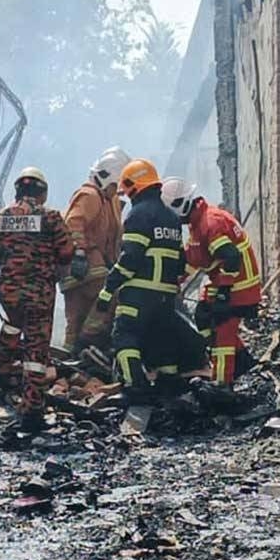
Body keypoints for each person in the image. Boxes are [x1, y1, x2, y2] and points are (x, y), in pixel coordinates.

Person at [0, 167, 75, 430]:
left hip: (8, 290)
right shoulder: (50, 217)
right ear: (42, 193)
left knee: (13, 324)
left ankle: (2, 368)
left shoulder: (1, 217)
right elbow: (66, 252)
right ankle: (31, 409)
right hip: (38, 292)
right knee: (36, 351)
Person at [96, 159, 186, 403]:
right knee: (162, 340)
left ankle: (137, 387)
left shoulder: (139, 215)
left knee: (125, 337)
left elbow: (130, 259)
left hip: (139, 293)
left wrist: (107, 291)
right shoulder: (172, 217)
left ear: (132, 186)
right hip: (166, 295)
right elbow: (181, 262)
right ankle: (169, 388)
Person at [161, 177, 261, 387]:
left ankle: (222, 384)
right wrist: (172, 280)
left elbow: (231, 257)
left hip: (239, 287)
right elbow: (195, 259)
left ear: (181, 205)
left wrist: (224, 293)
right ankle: (242, 359)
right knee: (203, 316)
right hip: (229, 284)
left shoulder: (210, 223)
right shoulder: (198, 224)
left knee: (222, 330)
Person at [60, 147, 130, 352]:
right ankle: (81, 347)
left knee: (81, 318)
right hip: (83, 268)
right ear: (105, 177)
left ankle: (74, 356)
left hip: (95, 268)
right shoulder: (89, 195)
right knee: (102, 303)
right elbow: (73, 223)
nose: (117, 191)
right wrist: (80, 254)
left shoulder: (110, 200)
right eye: (116, 185)